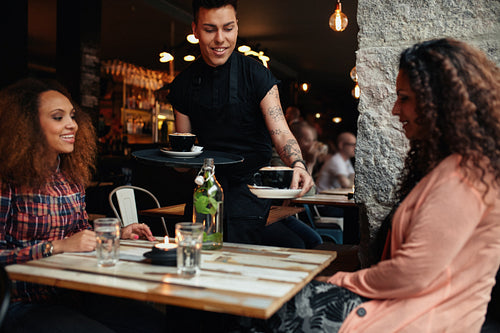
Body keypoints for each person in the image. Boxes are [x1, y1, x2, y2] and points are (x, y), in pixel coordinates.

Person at [243, 38, 500, 332]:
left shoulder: (464, 176)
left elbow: (411, 274)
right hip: (410, 311)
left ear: (437, 102)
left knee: (264, 313)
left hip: (418, 320)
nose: (394, 109)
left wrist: (342, 279)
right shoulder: (461, 166)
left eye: (404, 98)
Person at [0, 78, 166, 332]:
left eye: (73, 116)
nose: (72, 125)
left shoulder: (70, 177)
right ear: (26, 125)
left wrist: (114, 235)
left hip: (75, 292)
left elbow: (78, 235)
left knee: (157, 324)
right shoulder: (8, 180)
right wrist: (56, 247)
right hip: (22, 302)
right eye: (58, 117)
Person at [168, 0, 313, 245]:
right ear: (195, 30)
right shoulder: (183, 84)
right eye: (210, 29)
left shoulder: (258, 76)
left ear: (237, 27)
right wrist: (173, 159)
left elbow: (281, 133)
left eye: (228, 28)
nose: (220, 39)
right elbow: (184, 157)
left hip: (252, 192)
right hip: (207, 194)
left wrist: (298, 164)